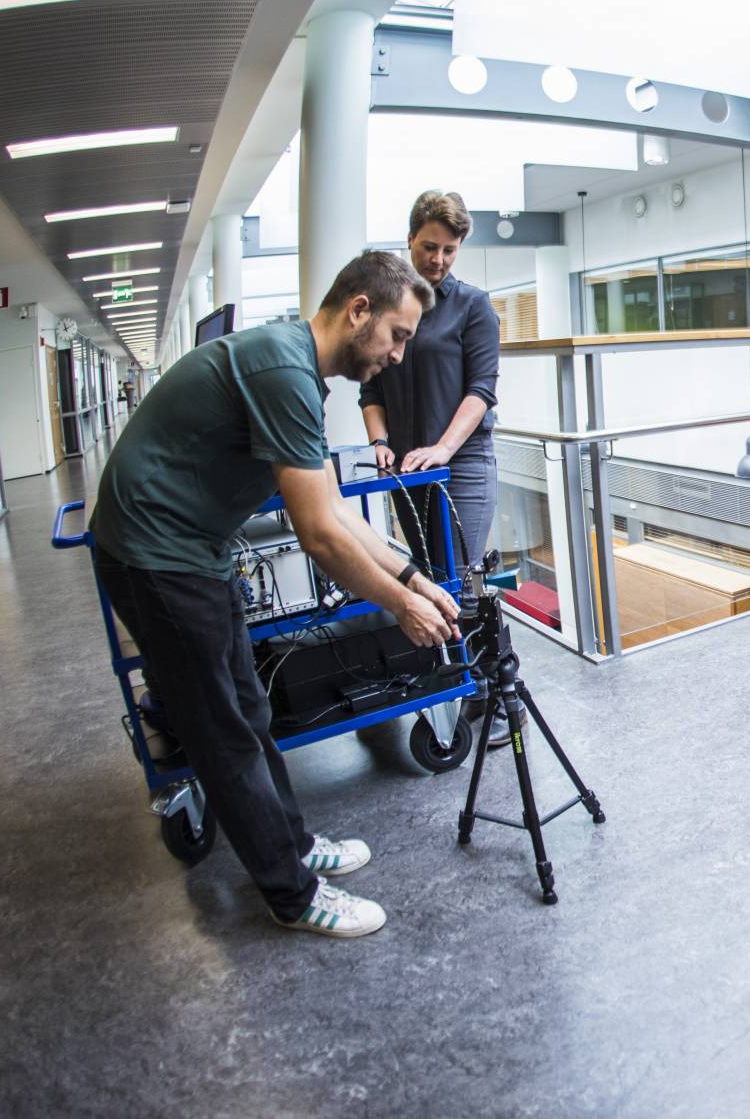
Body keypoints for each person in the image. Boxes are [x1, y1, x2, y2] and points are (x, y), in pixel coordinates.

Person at [90, 251, 462, 939]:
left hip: (194, 551)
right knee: (222, 731)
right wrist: (398, 606)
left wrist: (411, 579)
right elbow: (319, 535)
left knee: (250, 709)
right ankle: (291, 893)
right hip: (155, 557)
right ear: (359, 311)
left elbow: (339, 511)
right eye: (398, 336)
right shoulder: (283, 368)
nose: (399, 356)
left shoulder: (294, 368)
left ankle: (289, 843)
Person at [360, 190, 505, 744]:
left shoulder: (473, 306)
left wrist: (444, 448)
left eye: (449, 250)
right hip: (406, 467)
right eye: (428, 247)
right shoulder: (390, 302)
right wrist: (379, 443)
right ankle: (449, 684)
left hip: (460, 462)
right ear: (410, 238)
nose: (438, 260)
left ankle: (484, 698)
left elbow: (481, 391)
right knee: (425, 576)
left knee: (460, 582)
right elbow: (371, 385)